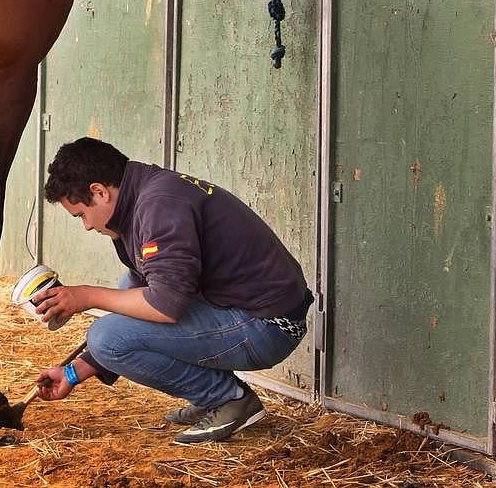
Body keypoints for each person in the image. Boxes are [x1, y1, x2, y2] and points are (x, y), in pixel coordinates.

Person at [31, 137, 312, 445]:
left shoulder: (159, 204)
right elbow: (147, 299)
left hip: (267, 326)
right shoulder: (141, 198)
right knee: (128, 292)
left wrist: (85, 296)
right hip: (245, 311)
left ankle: (228, 398)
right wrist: (72, 373)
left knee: (107, 334)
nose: (86, 226)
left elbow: (164, 305)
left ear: (99, 192)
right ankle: (213, 397)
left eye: (81, 214)